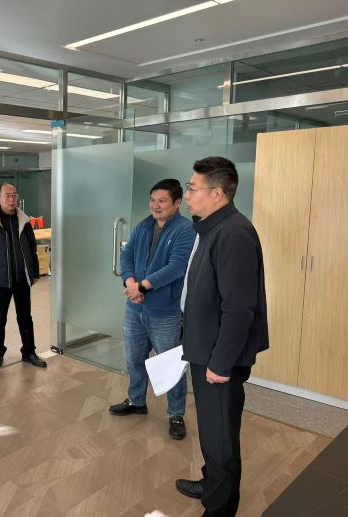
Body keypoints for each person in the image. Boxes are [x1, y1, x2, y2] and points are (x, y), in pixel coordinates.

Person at [175, 157, 269, 517]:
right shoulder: (212, 228)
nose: (186, 195)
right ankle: (211, 481)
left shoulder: (233, 234)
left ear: (217, 193)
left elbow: (239, 308)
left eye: (192, 188)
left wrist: (220, 363)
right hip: (206, 350)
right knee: (212, 431)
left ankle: (220, 508)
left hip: (219, 359)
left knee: (222, 439)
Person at [109, 179, 196, 440]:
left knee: (171, 366)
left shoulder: (185, 229)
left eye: (162, 201)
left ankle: (176, 414)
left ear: (177, 203)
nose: (155, 206)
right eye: (152, 200)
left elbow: (177, 267)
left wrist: (142, 287)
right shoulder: (144, 226)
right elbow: (126, 255)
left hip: (165, 313)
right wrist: (130, 282)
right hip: (135, 309)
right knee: (134, 359)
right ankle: (137, 401)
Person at [0, 183, 47, 369]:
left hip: (21, 279)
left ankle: (29, 352)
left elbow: (32, 248)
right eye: (7, 195)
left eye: (14, 195)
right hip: (1, 280)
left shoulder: (24, 222)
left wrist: (34, 273)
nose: (11, 199)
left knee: (25, 317)